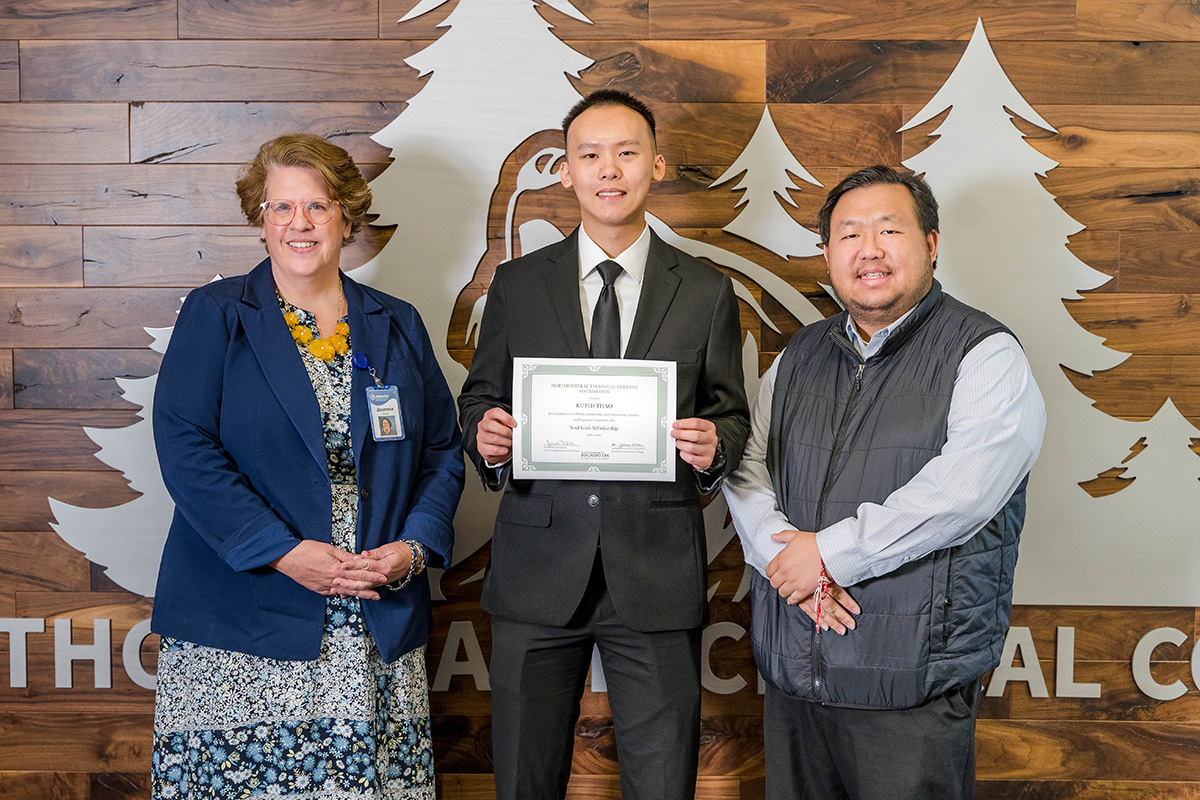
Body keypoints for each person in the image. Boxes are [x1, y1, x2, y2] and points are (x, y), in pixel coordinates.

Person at [150, 134, 464, 799]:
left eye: (317, 207)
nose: (300, 223)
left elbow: (440, 448)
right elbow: (186, 446)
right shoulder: (217, 315)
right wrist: (282, 551)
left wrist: (413, 548)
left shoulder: (397, 323)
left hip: (371, 611)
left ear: (346, 218)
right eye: (281, 207)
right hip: (245, 615)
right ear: (260, 219)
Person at [457, 90, 750, 800]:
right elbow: (480, 398)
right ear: (567, 172)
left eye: (627, 152)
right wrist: (487, 437)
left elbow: (732, 415)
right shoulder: (519, 284)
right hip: (536, 569)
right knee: (525, 779)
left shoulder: (707, 291)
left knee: (662, 782)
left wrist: (715, 447)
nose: (609, 170)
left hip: (654, 573)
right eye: (590, 155)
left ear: (656, 164)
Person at [723, 165, 1045, 800]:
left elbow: (963, 494)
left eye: (889, 230)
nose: (868, 250)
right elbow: (748, 465)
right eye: (849, 234)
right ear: (827, 252)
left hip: (912, 679)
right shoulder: (796, 357)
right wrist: (784, 556)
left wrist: (829, 555)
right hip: (796, 668)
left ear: (929, 243)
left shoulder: (984, 353)